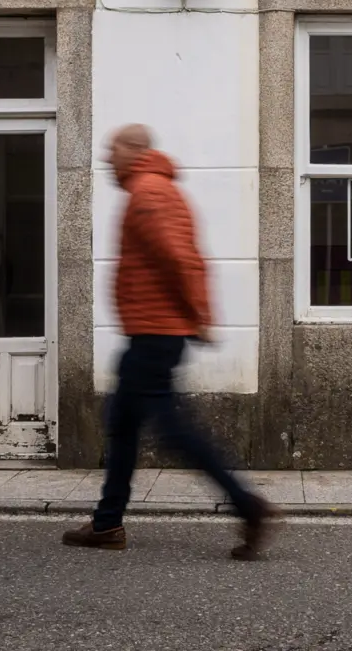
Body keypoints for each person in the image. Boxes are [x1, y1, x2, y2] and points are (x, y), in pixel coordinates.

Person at [61, 124, 279, 560]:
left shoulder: (150, 193)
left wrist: (199, 316)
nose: (107, 156)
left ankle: (246, 503)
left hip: (156, 333)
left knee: (175, 431)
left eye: (113, 148)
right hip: (149, 331)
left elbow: (182, 259)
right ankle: (107, 523)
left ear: (136, 150)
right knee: (122, 424)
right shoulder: (149, 190)